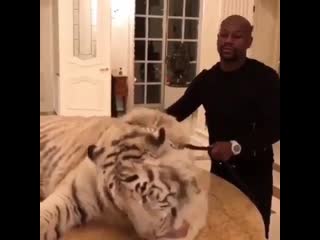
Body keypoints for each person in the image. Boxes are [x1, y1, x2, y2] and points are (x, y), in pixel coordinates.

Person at [165, 15, 280, 239]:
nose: (228, 40)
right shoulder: (207, 80)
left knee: (253, 230)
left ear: (249, 41)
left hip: (255, 173)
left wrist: (236, 146)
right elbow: (175, 113)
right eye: (223, 35)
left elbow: (276, 127)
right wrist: (141, 125)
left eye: (236, 36)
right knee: (222, 227)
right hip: (219, 173)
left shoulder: (265, 78)